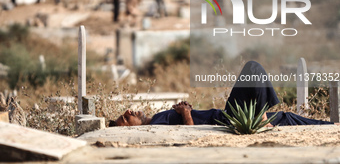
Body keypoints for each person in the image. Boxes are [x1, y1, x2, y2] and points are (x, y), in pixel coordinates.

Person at [110, 61, 334, 127]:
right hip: (229, 119)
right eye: (125, 117)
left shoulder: (158, 117)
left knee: (288, 118)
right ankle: (262, 120)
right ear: (128, 127)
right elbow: (188, 138)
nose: (129, 112)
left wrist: (184, 109)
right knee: (252, 69)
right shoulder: (155, 126)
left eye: (124, 112)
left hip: (229, 116)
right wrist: (187, 113)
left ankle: (332, 127)